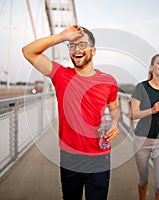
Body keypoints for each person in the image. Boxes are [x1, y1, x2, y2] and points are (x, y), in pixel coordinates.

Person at [22, 25, 119, 200]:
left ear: (93, 50)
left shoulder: (109, 81)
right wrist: (62, 36)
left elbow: (114, 108)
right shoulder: (60, 75)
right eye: (72, 46)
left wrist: (115, 123)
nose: (76, 50)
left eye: (82, 45)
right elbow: (28, 51)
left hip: (100, 157)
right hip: (70, 158)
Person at [129, 53, 159, 200]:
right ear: (152, 67)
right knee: (143, 180)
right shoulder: (141, 87)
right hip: (142, 140)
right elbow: (132, 114)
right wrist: (152, 110)